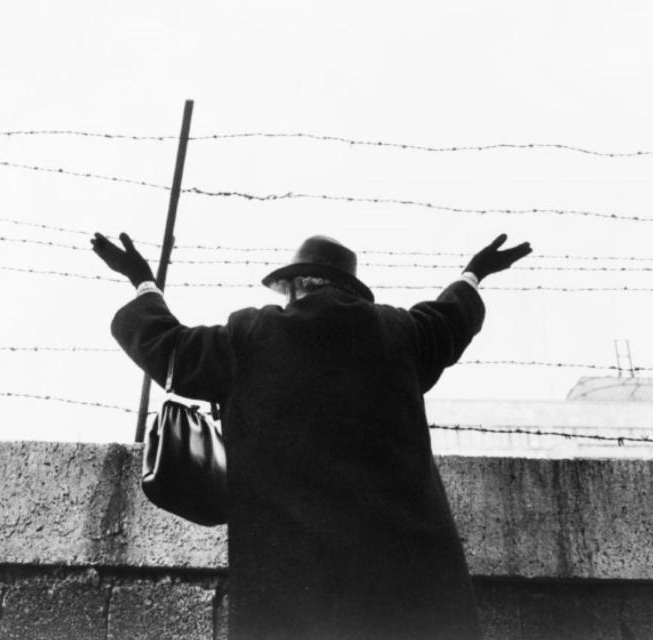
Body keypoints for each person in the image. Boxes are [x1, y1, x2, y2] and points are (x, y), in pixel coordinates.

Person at [92, 231, 532, 640]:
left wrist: (143, 281)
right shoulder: (401, 333)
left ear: (295, 286)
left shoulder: (250, 336)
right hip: (408, 589)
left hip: (293, 595)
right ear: (351, 289)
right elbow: (451, 320)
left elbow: (166, 348)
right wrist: (473, 274)